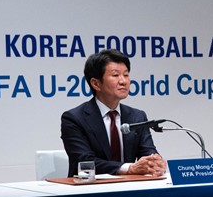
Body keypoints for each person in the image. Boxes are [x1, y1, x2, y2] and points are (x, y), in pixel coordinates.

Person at [61, 49, 166, 177]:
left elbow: (148, 152)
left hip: (129, 187)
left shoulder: (137, 116)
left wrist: (155, 163)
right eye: (115, 75)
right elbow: (84, 162)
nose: (123, 81)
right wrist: (129, 168)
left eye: (126, 75)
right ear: (96, 83)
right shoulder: (74, 118)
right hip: (89, 187)